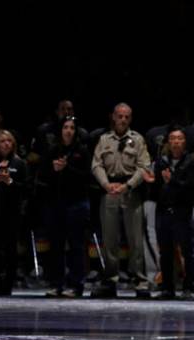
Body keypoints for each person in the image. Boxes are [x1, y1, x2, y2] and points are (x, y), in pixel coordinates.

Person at [90, 103, 152, 298]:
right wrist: (106, 184)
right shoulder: (104, 140)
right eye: (120, 116)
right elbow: (96, 165)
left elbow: (144, 167)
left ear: (130, 119)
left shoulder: (138, 139)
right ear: (113, 117)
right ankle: (110, 280)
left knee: (135, 239)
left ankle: (140, 280)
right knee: (110, 239)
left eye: (126, 116)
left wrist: (129, 185)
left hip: (130, 191)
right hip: (109, 191)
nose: (123, 119)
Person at [151, 126, 194, 299]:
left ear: (185, 142)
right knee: (165, 252)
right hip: (163, 212)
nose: (176, 142)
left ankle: (189, 287)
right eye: (172, 138)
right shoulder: (161, 161)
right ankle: (167, 287)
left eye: (179, 138)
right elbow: (157, 188)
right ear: (168, 142)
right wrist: (151, 182)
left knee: (188, 252)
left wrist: (172, 181)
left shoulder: (193, 161)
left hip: (183, 212)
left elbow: (191, 187)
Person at [41, 116, 91, 298]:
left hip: (77, 203)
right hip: (55, 204)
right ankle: (56, 284)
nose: (68, 130)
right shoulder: (52, 150)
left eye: (71, 127)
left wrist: (66, 167)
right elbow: (43, 175)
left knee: (76, 245)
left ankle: (76, 285)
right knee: (56, 246)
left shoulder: (82, 151)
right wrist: (53, 170)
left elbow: (87, 177)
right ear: (60, 130)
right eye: (65, 127)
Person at [0, 130, 27, 296]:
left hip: (12, 214)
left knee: (10, 250)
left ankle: (8, 284)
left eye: (9, 140)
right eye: (2, 141)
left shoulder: (19, 163)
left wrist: (9, 181)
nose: (6, 143)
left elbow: (26, 188)